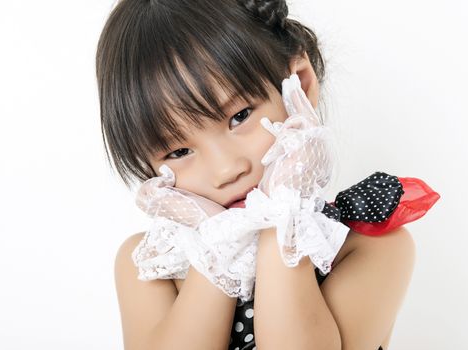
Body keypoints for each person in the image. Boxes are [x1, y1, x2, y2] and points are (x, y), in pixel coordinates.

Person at [95, 1, 440, 349]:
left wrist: (280, 215)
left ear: (299, 87)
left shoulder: (374, 246)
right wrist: (219, 242)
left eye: (239, 116)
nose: (227, 170)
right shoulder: (149, 266)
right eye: (179, 152)